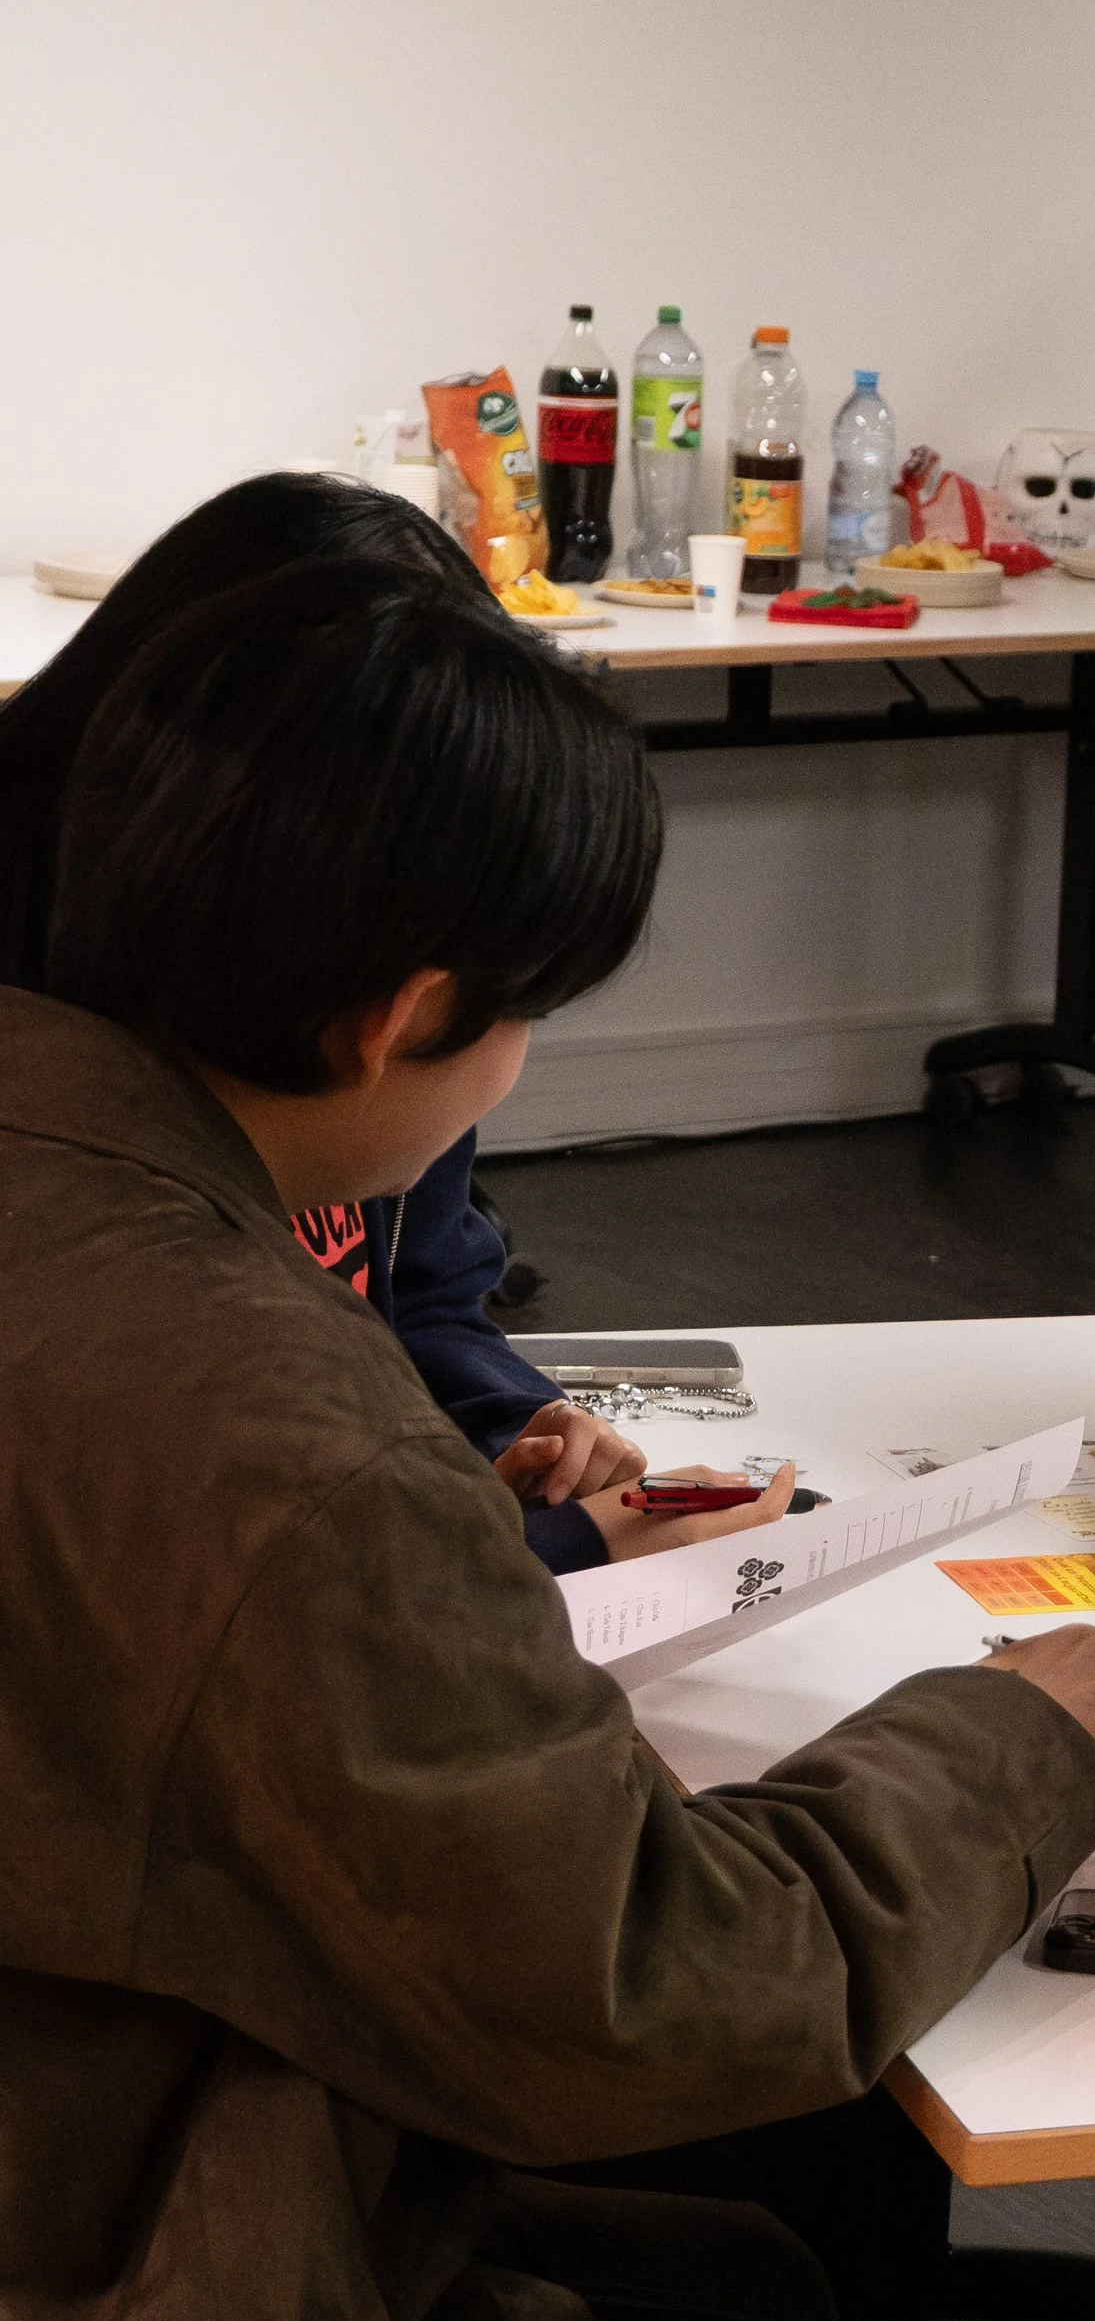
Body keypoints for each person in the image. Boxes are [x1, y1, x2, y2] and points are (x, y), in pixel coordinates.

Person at [0, 555, 1095, 2321]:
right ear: (409, 1010)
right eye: (520, 1021)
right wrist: (1007, 1738)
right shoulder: (244, 1420)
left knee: (724, 2285)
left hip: (90, 2243)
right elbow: (629, 1997)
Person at [0, 472, 770, 1576]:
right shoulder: (134, 1256)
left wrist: (517, 1437)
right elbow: (258, 1591)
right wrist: (539, 1548)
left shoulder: (379, 989)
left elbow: (422, 1307)